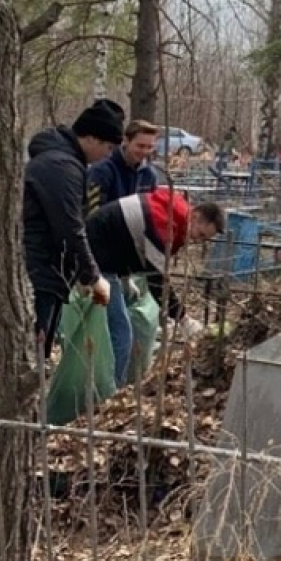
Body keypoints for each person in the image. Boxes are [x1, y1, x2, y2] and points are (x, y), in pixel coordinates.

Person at [23, 99, 125, 358]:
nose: (109, 154)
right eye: (108, 146)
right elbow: (69, 227)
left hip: (49, 270)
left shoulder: (65, 162)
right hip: (40, 270)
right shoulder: (62, 168)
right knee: (34, 350)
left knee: (39, 348)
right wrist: (92, 276)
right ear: (91, 138)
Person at [86, 189, 225, 352]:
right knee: (121, 332)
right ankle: (113, 378)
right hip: (96, 260)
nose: (198, 241)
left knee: (113, 319)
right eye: (200, 234)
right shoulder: (164, 224)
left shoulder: (175, 214)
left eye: (204, 239)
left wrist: (125, 276)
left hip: (103, 254)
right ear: (195, 216)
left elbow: (131, 242)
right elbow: (157, 281)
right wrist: (183, 318)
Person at [86, 119, 160, 385]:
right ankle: (111, 391)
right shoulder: (102, 171)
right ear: (125, 141)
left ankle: (126, 381)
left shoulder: (148, 176)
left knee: (141, 324)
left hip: (127, 262)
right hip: (100, 262)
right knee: (119, 330)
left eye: (150, 147)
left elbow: (150, 220)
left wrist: (131, 271)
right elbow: (92, 220)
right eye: (140, 145)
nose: (144, 151)